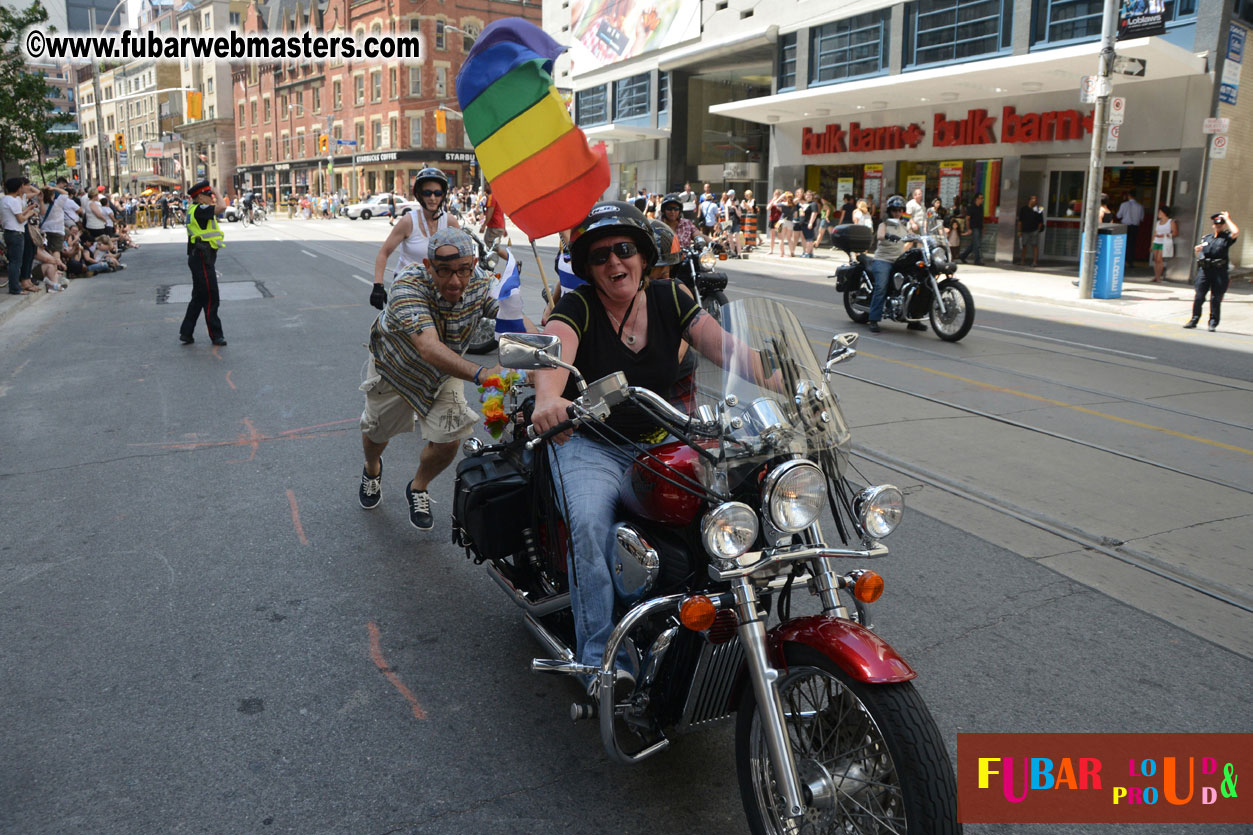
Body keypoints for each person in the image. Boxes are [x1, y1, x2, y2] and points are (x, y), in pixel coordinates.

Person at [532, 201, 775, 690]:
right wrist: (548, 400)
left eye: (624, 250)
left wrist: (784, 377)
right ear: (588, 269)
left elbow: (723, 346)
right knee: (589, 523)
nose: (614, 263)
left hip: (662, 436)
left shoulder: (672, 298)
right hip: (591, 443)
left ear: (643, 257)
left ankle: (716, 623)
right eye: (600, 257)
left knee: (734, 501)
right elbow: (554, 354)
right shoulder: (578, 306)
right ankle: (601, 660)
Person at [358, 227, 520, 529]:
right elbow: (429, 348)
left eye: (463, 271)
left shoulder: (482, 282)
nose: (455, 281)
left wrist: (539, 335)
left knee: (450, 437)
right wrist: (484, 375)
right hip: (397, 370)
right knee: (377, 433)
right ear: (428, 266)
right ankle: (371, 467)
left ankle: (418, 486)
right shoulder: (408, 285)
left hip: (446, 372)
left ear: (473, 265)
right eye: (444, 271)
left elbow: (510, 319)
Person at [371, 168, 461, 311]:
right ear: (419, 195)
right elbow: (384, 253)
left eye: (437, 193)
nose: (432, 198)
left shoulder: (450, 222)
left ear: (443, 195)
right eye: (427, 193)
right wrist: (378, 285)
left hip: (438, 287)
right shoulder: (408, 221)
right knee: (424, 331)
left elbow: (464, 256)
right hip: (407, 285)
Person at [179, 180, 228, 346]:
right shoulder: (200, 209)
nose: (212, 198)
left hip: (200, 256)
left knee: (199, 297)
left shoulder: (195, 209)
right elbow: (222, 207)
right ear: (199, 196)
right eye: (209, 195)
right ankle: (216, 335)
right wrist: (219, 192)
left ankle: (186, 333)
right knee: (211, 297)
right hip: (201, 257)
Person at [867, 194, 924, 335]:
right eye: (895, 210)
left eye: (899, 210)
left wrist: (924, 240)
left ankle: (914, 320)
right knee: (881, 286)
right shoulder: (884, 224)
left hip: (899, 261)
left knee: (916, 283)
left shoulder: (903, 226)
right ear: (890, 211)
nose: (897, 213)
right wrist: (888, 236)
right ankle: (873, 319)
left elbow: (912, 236)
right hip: (883, 260)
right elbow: (880, 235)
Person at [1185, 211, 1239, 331]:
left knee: (1215, 298)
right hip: (1204, 270)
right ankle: (1194, 319)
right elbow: (1200, 255)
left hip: (1219, 272)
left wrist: (1228, 218)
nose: (1218, 226)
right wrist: (1197, 251)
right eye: (1216, 224)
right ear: (1213, 225)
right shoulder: (1206, 238)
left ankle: (1213, 322)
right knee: (1199, 296)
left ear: (1224, 225)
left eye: (1221, 224)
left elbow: (1235, 232)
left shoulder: (1226, 238)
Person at [2, 177, 41, 294]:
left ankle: (16, 286)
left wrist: (28, 210)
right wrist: (29, 213)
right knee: (16, 262)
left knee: (15, 261)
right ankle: (15, 288)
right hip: (15, 233)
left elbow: (17, 214)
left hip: (10, 233)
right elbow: (20, 219)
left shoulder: (5, 199)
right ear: (18, 188)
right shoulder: (13, 200)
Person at [1117, 190, 1145, 268]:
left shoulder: (1123, 205)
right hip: (1135, 227)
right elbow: (1141, 218)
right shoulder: (1140, 206)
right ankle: (1130, 261)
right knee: (1132, 244)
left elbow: (1118, 215)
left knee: (1123, 244)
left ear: (1128, 195)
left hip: (1125, 226)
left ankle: (1122, 260)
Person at [1151, 206, 1178, 283]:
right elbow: (1155, 233)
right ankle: (1156, 276)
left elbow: (1175, 232)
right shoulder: (1158, 223)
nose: (1159, 214)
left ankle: (1159, 277)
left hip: (1165, 242)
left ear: (1164, 213)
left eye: (1160, 212)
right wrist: (1152, 244)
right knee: (1156, 259)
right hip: (1157, 241)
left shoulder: (1171, 222)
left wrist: (1164, 235)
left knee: (1160, 259)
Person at [479, 182, 507, 250]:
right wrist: (504, 227)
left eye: (486, 185)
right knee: (492, 246)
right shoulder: (498, 196)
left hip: (494, 226)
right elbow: (500, 213)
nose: (485, 188)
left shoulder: (491, 197)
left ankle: (510, 259)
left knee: (492, 246)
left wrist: (483, 225)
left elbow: (490, 213)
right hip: (499, 225)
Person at [1017, 195, 1044, 267]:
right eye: (1033, 199)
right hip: (1025, 230)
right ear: (1029, 200)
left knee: (1034, 245)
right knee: (1023, 245)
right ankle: (1022, 261)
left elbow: (1041, 221)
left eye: (1036, 199)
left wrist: (1038, 229)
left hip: (1034, 230)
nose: (1035, 201)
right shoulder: (1023, 209)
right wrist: (1019, 231)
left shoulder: (1038, 209)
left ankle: (1035, 262)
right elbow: (1020, 221)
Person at [959, 193, 985, 265]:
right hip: (974, 227)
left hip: (979, 227)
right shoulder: (971, 207)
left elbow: (981, 218)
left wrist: (983, 227)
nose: (982, 200)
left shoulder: (981, 207)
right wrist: (969, 228)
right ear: (976, 199)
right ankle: (977, 260)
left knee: (974, 244)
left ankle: (963, 256)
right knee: (977, 244)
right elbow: (967, 219)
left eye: (982, 198)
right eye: (980, 198)